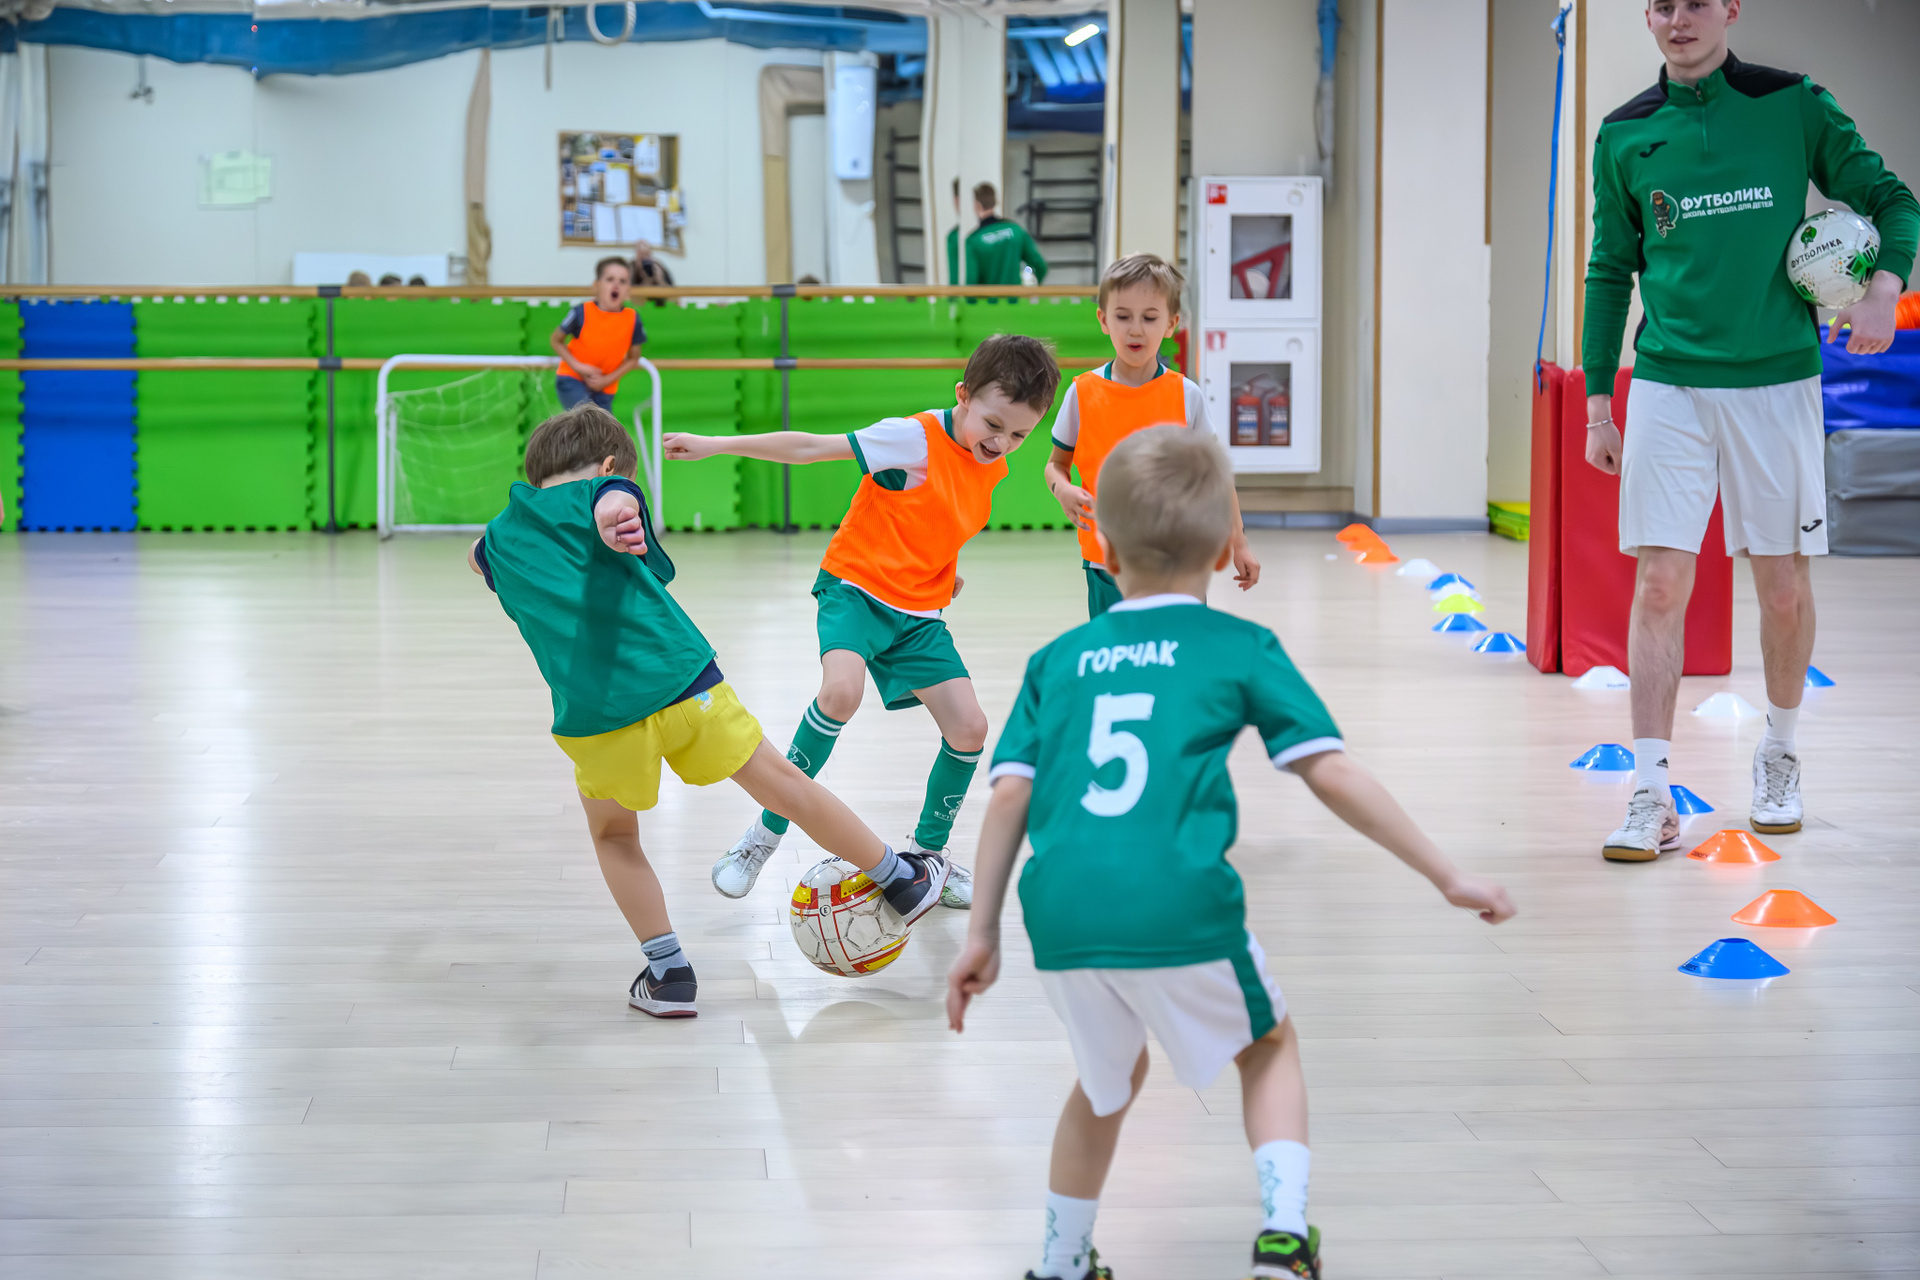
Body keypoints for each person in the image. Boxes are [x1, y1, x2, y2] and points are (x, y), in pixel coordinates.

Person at [946, 426, 1516, 1280]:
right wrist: (1447, 873)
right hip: (1178, 897)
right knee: (1268, 1045)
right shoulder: (1240, 648)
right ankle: (1284, 1237)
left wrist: (981, 934)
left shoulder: (1056, 659)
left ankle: (1060, 1261)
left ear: (1103, 547)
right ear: (1222, 551)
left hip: (1059, 912)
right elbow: (1330, 770)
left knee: (1105, 1081)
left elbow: (1008, 799)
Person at [468, 404, 948, 1017]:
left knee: (614, 835)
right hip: (683, 684)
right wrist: (616, 514)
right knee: (786, 787)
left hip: (596, 720)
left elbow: (479, 556)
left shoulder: (500, 537)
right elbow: (614, 500)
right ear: (610, 465)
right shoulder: (605, 492)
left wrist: (510, 543)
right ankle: (900, 879)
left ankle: (668, 975)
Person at [1582, 0, 1917, 860]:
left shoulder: (1793, 103)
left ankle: (1780, 755)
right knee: (1660, 585)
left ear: (1730, 8)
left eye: (1697, 2)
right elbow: (1610, 270)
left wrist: (1885, 287)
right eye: (1663, 5)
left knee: (1781, 589)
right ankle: (1651, 793)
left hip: (1777, 382)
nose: (1680, 19)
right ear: (1647, 17)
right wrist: (1598, 404)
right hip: (1669, 383)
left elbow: (1891, 200)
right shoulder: (1624, 134)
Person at [663, 335, 1062, 908]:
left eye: (1020, 435)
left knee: (970, 728)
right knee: (841, 693)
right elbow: (810, 448)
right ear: (963, 395)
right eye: (994, 425)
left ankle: (928, 859)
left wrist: (946, 571)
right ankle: (762, 837)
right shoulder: (912, 438)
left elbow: (940, 515)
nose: (1002, 443)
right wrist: (716, 445)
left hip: (917, 613)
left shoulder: (988, 462)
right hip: (856, 590)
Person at [1045, 252, 1260, 616]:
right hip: (1107, 560)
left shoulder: (1186, 395)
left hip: (1180, 560)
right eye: (1123, 316)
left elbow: (1217, 477)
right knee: (1117, 648)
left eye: (1149, 318)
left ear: (1171, 323)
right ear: (1103, 320)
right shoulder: (1081, 393)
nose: (1135, 329)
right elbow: (1056, 464)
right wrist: (1062, 489)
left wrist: (1238, 542)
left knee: (1181, 647)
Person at [549, 257, 645, 413]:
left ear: (628, 291)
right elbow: (556, 340)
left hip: (605, 387)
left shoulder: (633, 319)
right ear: (597, 286)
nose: (616, 285)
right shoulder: (581, 312)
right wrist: (579, 367)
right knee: (586, 417)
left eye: (622, 281)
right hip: (572, 378)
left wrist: (606, 380)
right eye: (610, 279)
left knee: (604, 427)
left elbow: (633, 358)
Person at [947, 180, 1049, 287]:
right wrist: (1035, 288)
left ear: (977, 205)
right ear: (996, 202)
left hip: (989, 297)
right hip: (1015, 296)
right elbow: (1040, 265)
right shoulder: (1016, 230)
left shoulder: (974, 241)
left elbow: (972, 281)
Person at [630, 239, 674, 307]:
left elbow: (672, 290)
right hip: (638, 305)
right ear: (636, 254)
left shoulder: (658, 266)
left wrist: (660, 280)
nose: (644, 258)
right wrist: (646, 281)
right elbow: (627, 290)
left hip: (659, 303)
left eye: (646, 254)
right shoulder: (631, 267)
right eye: (641, 254)